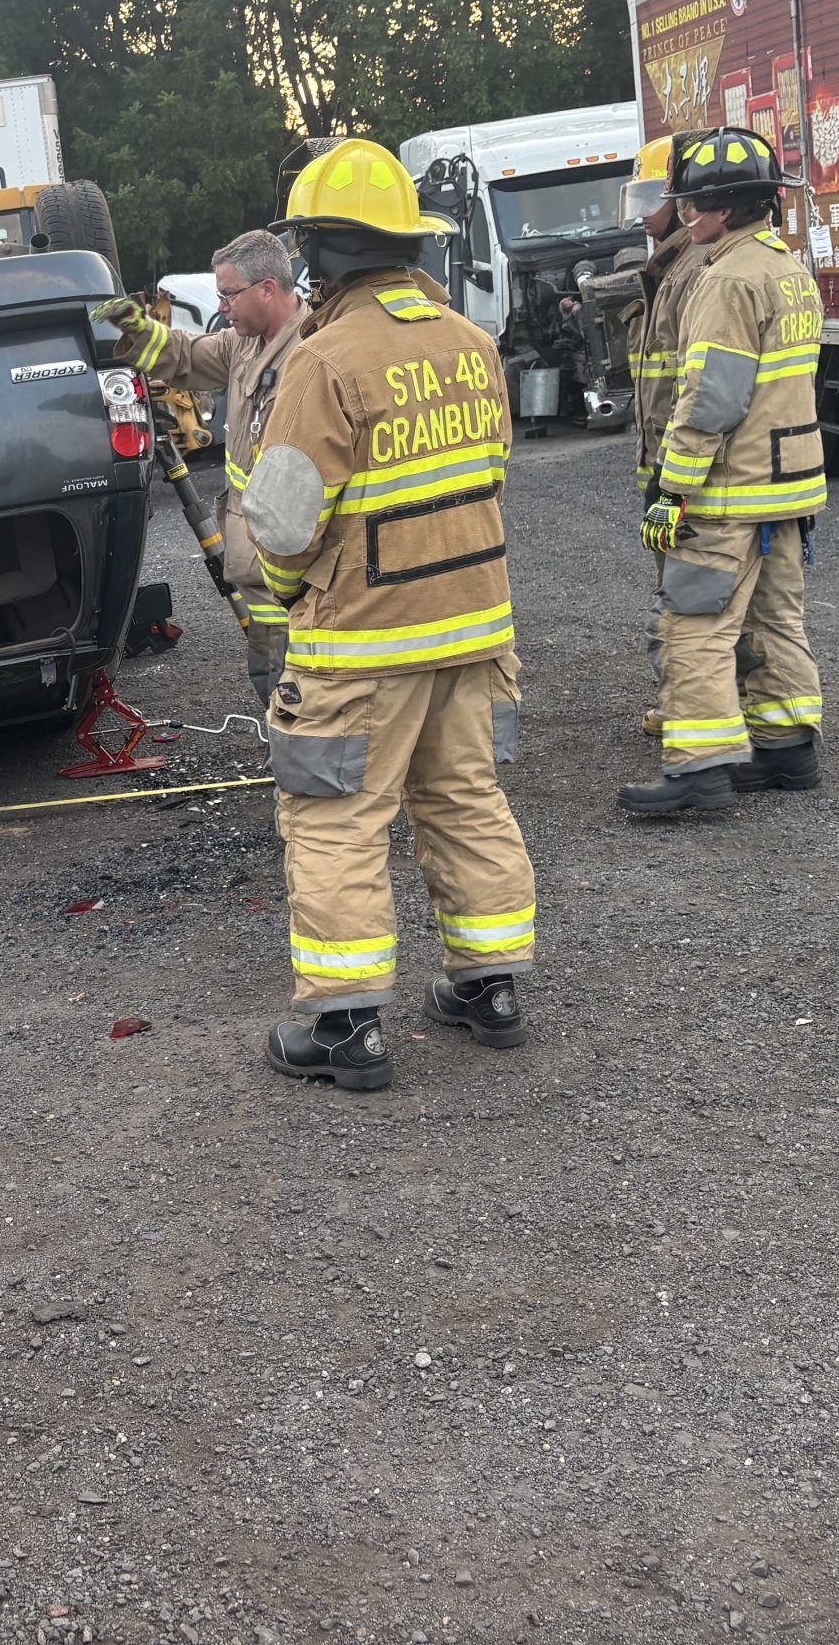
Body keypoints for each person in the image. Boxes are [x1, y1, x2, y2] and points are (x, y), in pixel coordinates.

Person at [240, 139, 536, 1092]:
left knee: (334, 821)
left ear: (320, 257)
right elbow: (484, 480)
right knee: (465, 800)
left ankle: (345, 1029)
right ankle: (490, 989)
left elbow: (284, 525)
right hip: (476, 631)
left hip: (363, 645)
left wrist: (290, 594)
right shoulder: (472, 344)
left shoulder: (324, 363)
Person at [623, 128, 828, 816]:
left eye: (693, 206)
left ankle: (699, 771)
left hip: (730, 488)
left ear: (727, 208)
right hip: (788, 482)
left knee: (697, 622)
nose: (685, 217)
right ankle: (785, 746)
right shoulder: (787, 269)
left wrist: (672, 486)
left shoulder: (727, 280)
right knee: (776, 613)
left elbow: (711, 397)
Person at [93, 229, 309, 702]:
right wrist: (140, 329)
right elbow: (187, 357)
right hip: (258, 571)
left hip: (300, 573)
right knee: (273, 683)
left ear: (267, 288)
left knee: (312, 689)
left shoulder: (314, 354)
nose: (223, 305)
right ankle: (286, 754)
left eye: (229, 294)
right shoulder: (242, 345)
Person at [621, 133, 718, 735]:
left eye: (650, 197)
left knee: (688, 592)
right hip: (665, 467)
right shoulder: (668, 269)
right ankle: (691, 703)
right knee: (678, 584)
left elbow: (697, 387)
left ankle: (692, 712)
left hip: (680, 472)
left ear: (681, 199)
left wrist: (673, 477)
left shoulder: (689, 271)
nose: (642, 214)